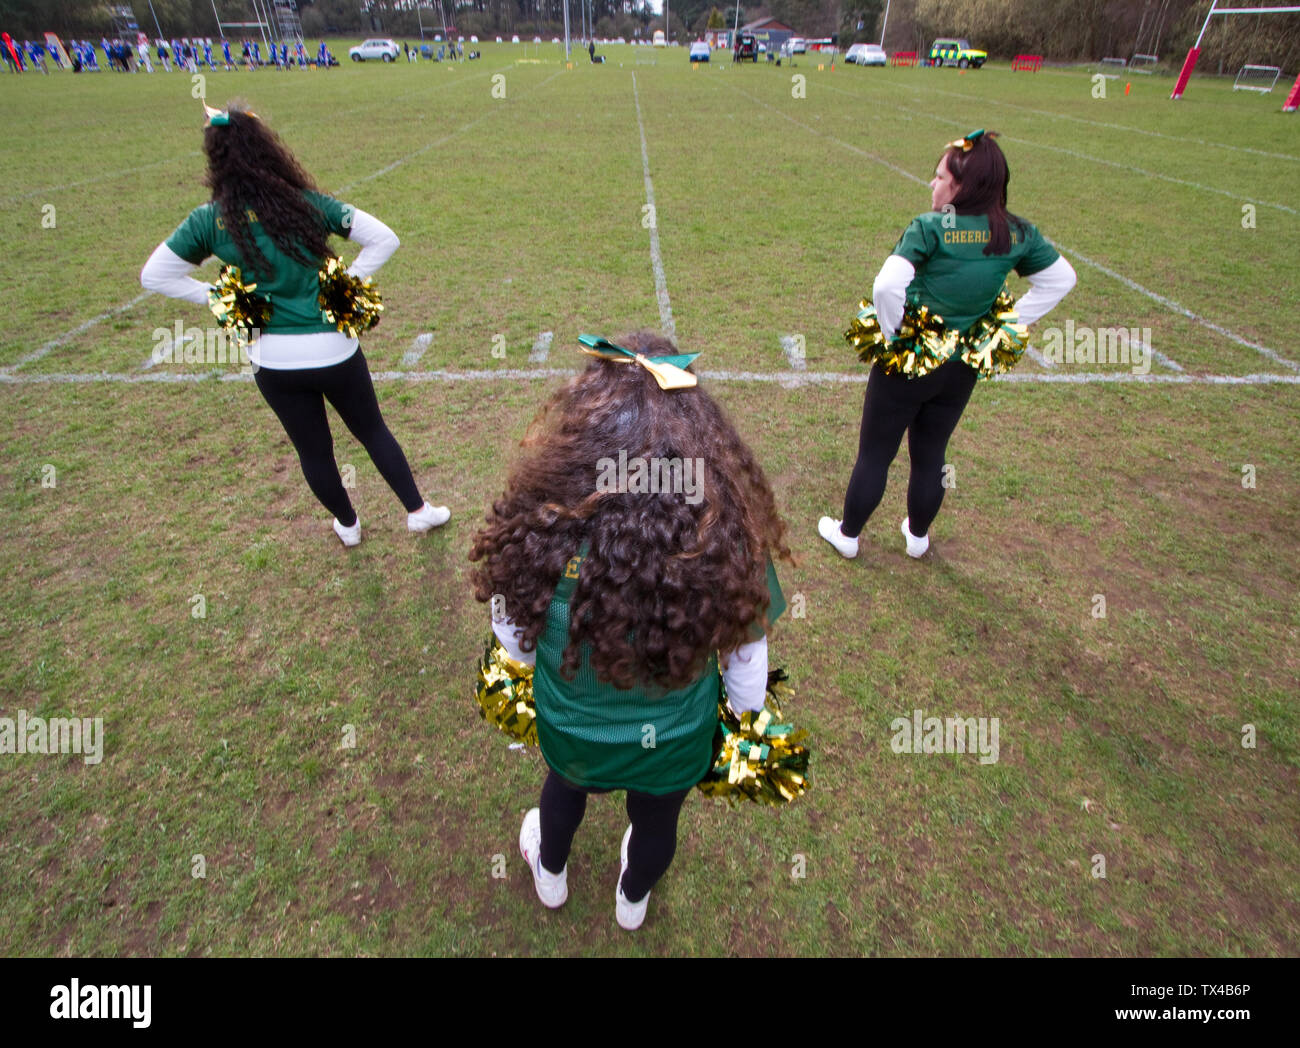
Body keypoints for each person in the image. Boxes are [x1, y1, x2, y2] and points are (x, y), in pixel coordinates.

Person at [470, 333, 791, 930]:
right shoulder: (722, 538)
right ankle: (633, 898)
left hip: (573, 733)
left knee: (563, 793)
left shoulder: (542, 529)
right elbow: (747, 663)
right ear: (701, 442)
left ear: (581, 435)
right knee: (658, 822)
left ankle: (551, 872)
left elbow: (512, 638)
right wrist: (742, 721)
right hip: (672, 743)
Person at [140, 102, 451, 548]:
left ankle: (348, 525)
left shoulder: (209, 220)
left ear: (216, 160)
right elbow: (385, 238)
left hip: (273, 358)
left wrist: (220, 297)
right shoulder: (308, 204)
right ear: (268, 150)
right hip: (334, 348)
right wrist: (342, 284)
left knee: (313, 450)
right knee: (372, 430)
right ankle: (418, 512)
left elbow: (154, 276)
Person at [819, 130, 1077, 560]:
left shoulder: (932, 226)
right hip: (962, 363)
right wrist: (1005, 324)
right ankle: (917, 537)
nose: (932, 185)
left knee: (876, 452)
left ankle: (848, 535)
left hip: (911, 358)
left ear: (962, 186)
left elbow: (887, 286)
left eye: (939, 177)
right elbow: (1061, 279)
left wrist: (893, 332)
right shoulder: (1014, 232)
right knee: (932, 451)